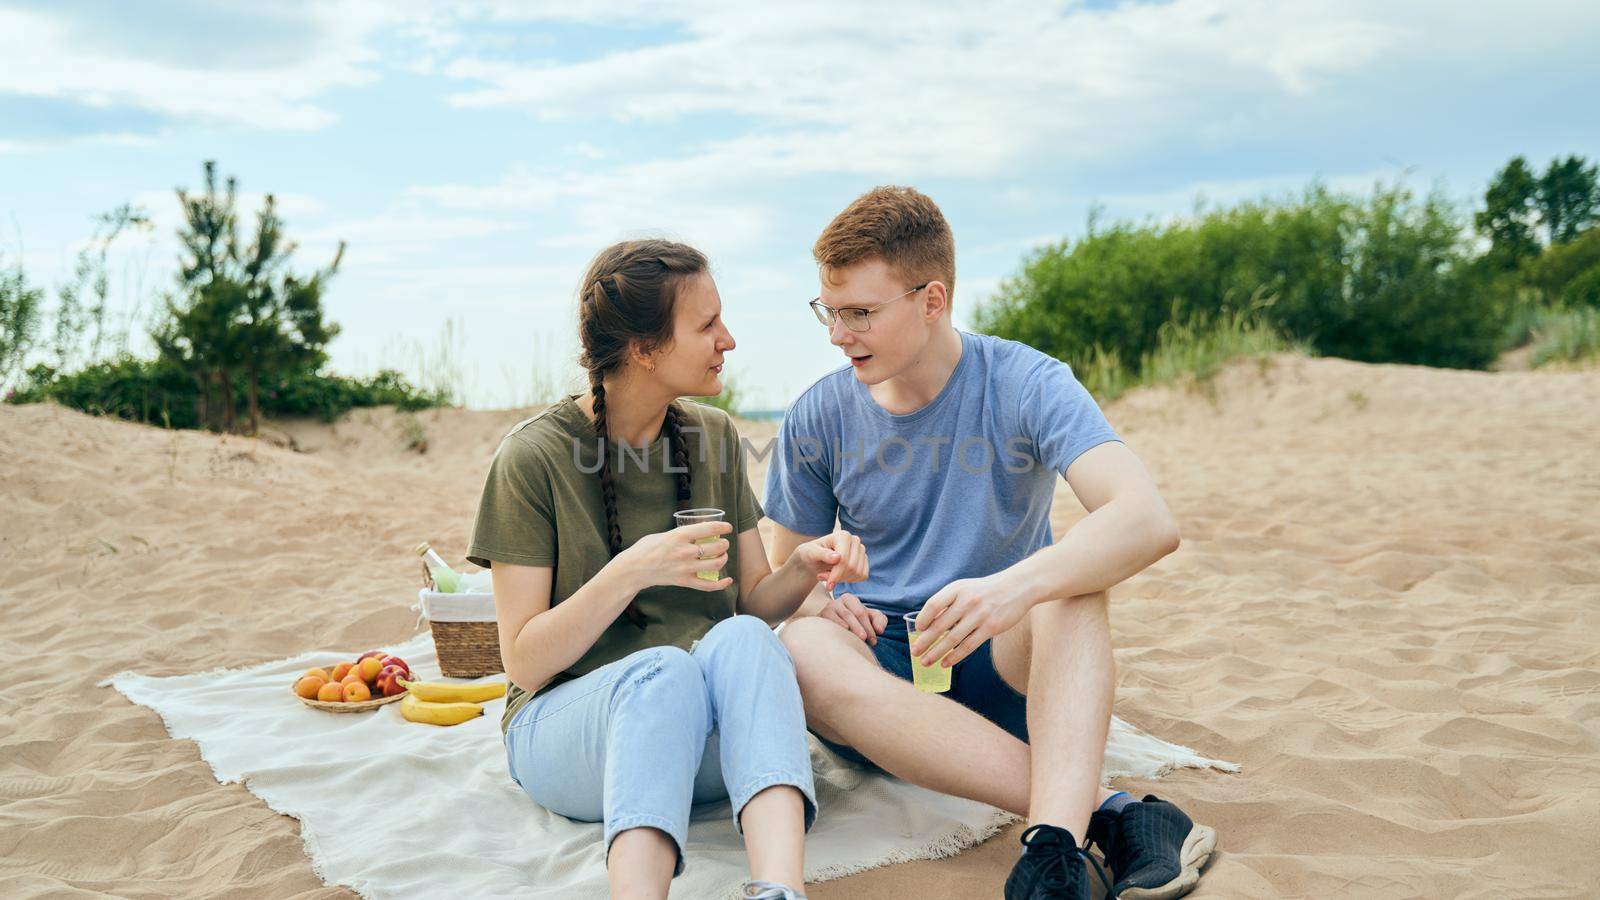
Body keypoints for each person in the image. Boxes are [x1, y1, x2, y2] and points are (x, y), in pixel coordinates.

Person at [765, 187, 1217, 899]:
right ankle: (1111, 816)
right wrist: (823, 602)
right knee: (798, 649)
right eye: (830, 310)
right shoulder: (817, 414)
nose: (837, 333)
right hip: (878, 687)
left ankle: (1051, 855)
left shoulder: (1027, 381)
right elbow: (777, 577)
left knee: (1071, 585)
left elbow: (1145, 519)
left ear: (931, 300)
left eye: (860, 313)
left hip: (999, 661)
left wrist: (1014, 586)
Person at [467, 239, 868, 900]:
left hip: (699, 743)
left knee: (744, 642)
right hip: (569, 740)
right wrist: (631, 570)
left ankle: (779, 888)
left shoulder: (709, 438)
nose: (729, 340)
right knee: (666, 670)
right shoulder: (532, 458)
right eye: (706, 325)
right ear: (644, 349)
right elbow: (524, 662)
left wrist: (802, 566)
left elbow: (750, 606)